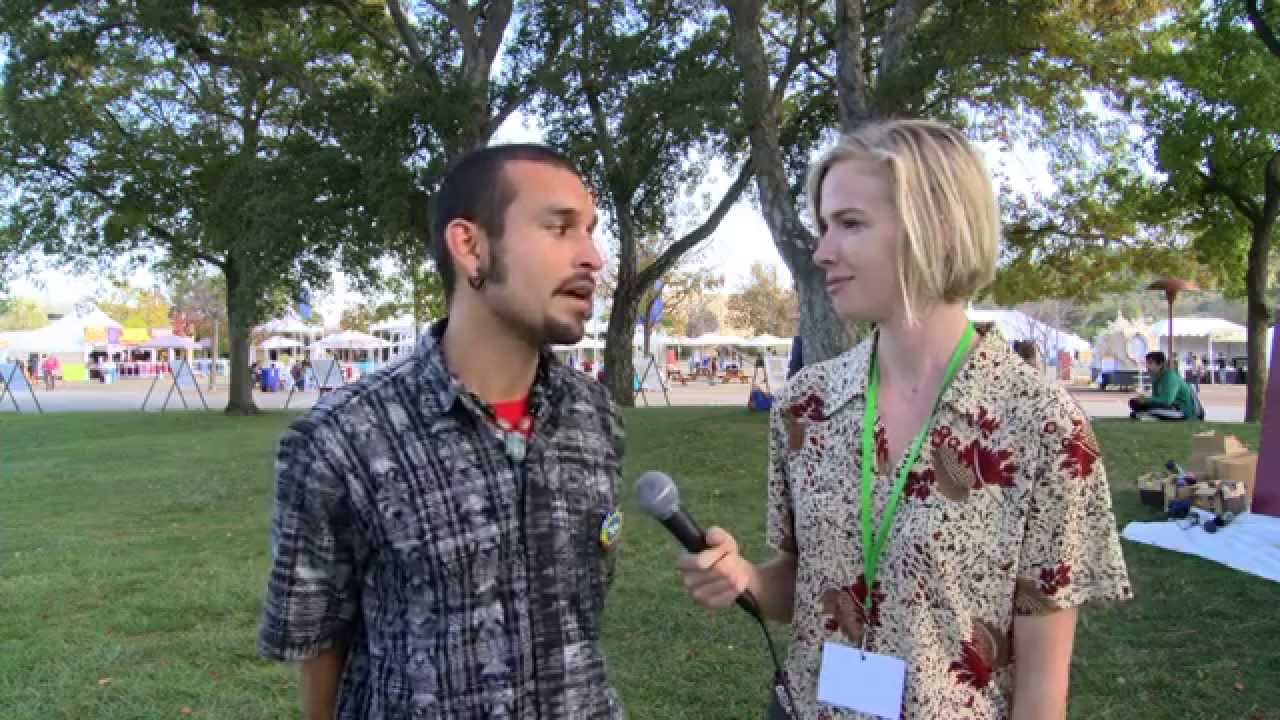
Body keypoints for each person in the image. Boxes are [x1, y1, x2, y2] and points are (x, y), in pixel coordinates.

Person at [675, 120, 1132, 720]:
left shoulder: (1042, 427)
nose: (822, 251)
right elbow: (804, 589)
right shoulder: (805, 408)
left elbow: (1043, 692)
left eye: (851, 224)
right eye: (823, 227)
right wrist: (747, 579)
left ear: (933, 228)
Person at [258, 144, 625, 719]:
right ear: (471, 246)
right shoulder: (341, 441)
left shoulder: (594, 419)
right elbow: (318, 640)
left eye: (591, 231)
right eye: (560, 229)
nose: (592, 257)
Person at [1129, 350, 1197, 421]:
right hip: (1168, 407)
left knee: (1151, 411)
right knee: (1134, 402)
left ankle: (1148, 415)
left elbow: (1167, 401)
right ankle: (1147, 415)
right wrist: (1144, 400)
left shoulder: (1170, 377)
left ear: (1161, 364)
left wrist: (1147, 400)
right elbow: (1156, 399)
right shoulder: (1156, 378)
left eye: (1150, 363)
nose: (1147, 366)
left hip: (1182, 410)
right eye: (1147, 363)